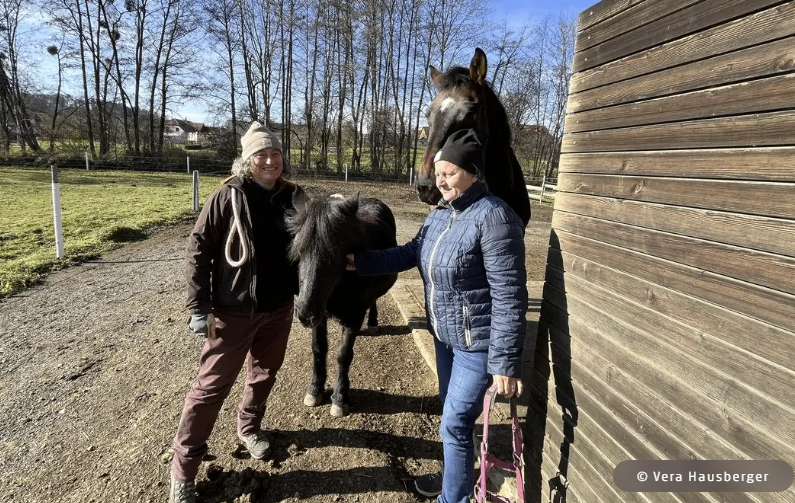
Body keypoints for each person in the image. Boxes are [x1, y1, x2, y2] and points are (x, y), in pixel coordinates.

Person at [347, 129, 528, 503]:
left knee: (455, 421)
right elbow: (411, 253)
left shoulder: (495, 218)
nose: (439, 179)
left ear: (473, 172)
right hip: (446, 338)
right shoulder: (443, 215)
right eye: (438, 172)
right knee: (453, 419)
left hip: (477, 345)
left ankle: (454, 497)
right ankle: (454, 478)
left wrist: (506, 362)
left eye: (449, 172)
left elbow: (510, 295)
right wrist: (357, 262)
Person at [169, 121, 303, 503]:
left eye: (275, 153)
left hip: (278, 308)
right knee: (209, 388)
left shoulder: (293, 196)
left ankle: (249, 428)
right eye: (261, 154)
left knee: (264, 373)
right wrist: (199, 306)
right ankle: (183, 470)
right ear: (247, 160)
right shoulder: (226, 197)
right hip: (231, 311)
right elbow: (199, 250)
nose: (270, 160)